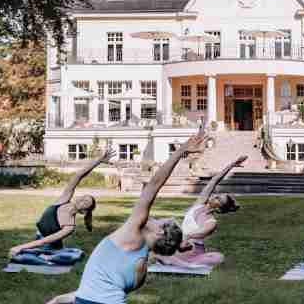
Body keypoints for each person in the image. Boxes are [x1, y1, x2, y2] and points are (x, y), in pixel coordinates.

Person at [45, 130, 207, 304]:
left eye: (160, 220)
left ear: (159, 232)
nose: (153, 218)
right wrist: (59, 300)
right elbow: (96, 288)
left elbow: (153, 186)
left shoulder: (133, 233)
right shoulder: (141, 269)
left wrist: (180, 150)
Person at [9, 148, 116, 257]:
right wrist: (99, 160)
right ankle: (55, 252)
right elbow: (78, 175)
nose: (82, 200)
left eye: (86, 202)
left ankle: (55, 252)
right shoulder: (64, 199)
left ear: (83, 211)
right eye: (83, 197)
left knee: (38, 255)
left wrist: (20, 247)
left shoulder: (70, 226)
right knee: (33, 254)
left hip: (47, 244)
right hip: (40, 239)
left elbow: (45, 241)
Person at [155, 155, 248, 268]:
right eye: (217, 195)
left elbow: (201, 233)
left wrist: (186, 237)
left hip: (193, 251)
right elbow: (214, 181)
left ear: (219, 208)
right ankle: (178, 262)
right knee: (167, 222)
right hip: (180, 247)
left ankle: (182, 263)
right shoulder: (199, 205)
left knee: (218, 257)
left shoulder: (211, 222)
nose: (214, 196)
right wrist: (232, 165)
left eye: (218, 199)